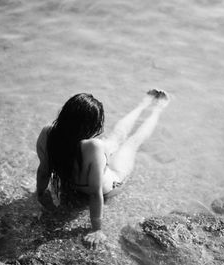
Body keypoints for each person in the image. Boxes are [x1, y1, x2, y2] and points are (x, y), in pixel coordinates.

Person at [36, 89, 169, 248]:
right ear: (89, 126)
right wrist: (96, 229)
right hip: (114, 182)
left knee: (116, 137)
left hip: (96, 165)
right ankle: (156, 108)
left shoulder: (48, 132)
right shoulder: (93, 146)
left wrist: (39, 194)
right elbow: (94, 193)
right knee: (131, 142)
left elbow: (44, 171)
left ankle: (144, 105)